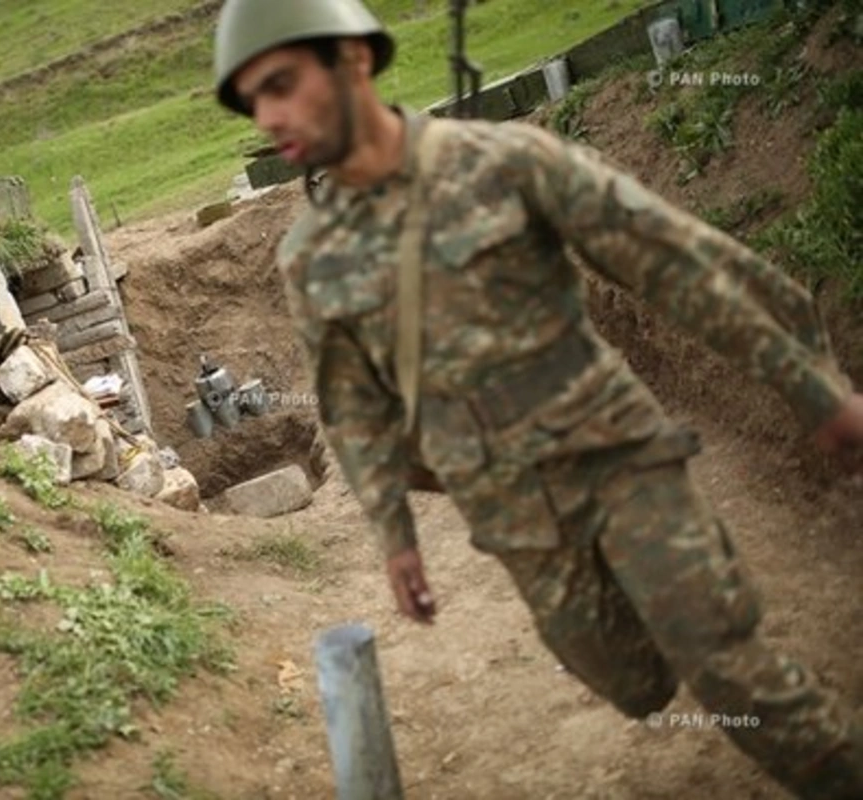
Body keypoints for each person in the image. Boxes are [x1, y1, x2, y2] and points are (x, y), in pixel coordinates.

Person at [212, 0, 863, 797]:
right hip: (511, 511)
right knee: (634, 682)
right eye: (252, 100)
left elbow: (677, 265)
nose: (268, 116)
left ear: (351, 61)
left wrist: (812, 387)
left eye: (281, 83)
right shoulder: (311, 258)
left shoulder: (506, 161)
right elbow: (352, 407)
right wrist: (395, 535)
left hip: (618, 456)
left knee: (722, 662)